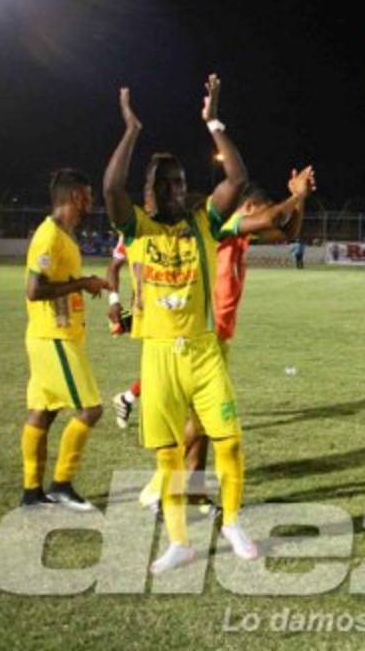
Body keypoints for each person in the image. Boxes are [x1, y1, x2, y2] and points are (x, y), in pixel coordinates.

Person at [103, 77, 260, 574]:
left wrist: (213, 121)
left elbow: (237, 178)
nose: (174, 189)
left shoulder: (202, 224)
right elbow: (110, 187)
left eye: (178, 181)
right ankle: (179, 542)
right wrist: (132, 130)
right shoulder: (137, 228)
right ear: (149, 192)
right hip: (157, 355)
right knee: (168, 455)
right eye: (163, 183)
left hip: (202, 350)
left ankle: (232, 520)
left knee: (229, 440)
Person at [21, 169, 109, 509]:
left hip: (54, 335)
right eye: (87, 196)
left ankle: (31, 493)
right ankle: (60, 484)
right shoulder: (49, 237)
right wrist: (81, 284)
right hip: (53, 337)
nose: (90, 203)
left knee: (42, 414)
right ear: (74, 197)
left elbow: (61, 282)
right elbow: (34, 290)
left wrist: (86, 282)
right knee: (91, 409)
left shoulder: (64, 235)